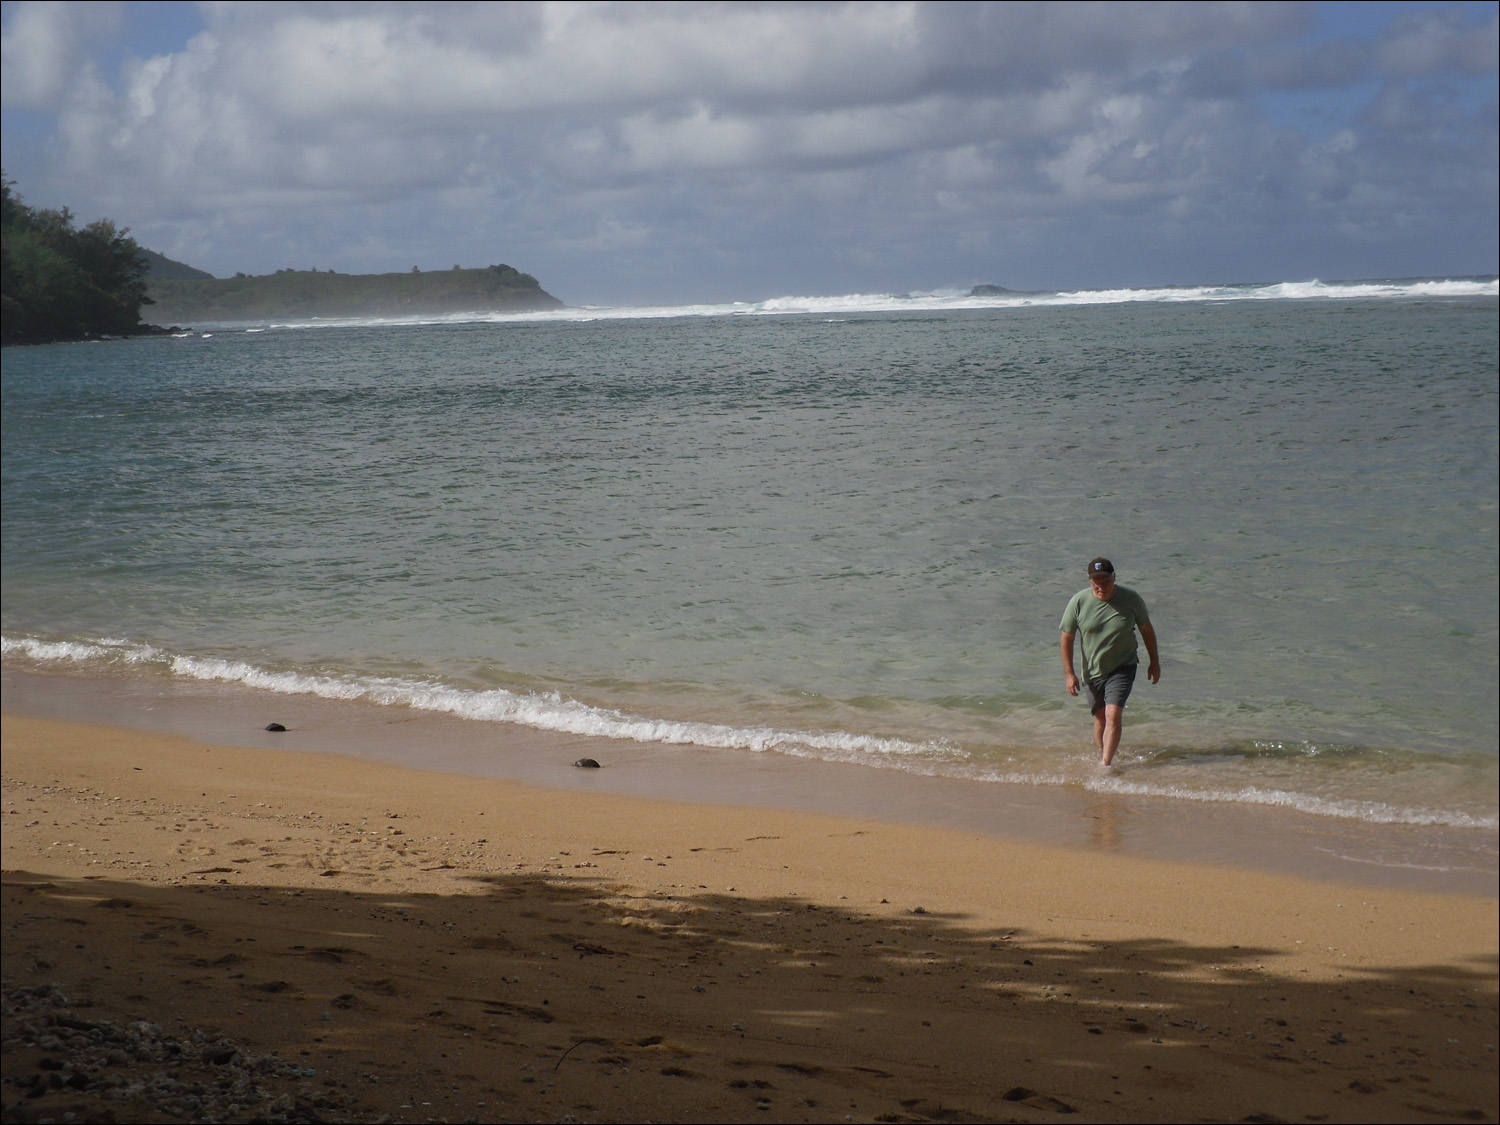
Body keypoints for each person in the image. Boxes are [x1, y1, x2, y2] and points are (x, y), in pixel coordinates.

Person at [1059, 557, 1160, 767]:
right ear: (1090, 581)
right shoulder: (1078, 602)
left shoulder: (1131, 599)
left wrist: (1154, 662)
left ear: (1114, 578)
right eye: (1096, 582)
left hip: (1124, 666)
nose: (1100, 586)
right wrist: (1069, 674)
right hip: (1093, 671)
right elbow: (1066, 637)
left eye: (1105, 581)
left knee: (1112, 714)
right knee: (1100, 719)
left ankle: (1105, 764)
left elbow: (1146, 630)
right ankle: (1104, 752)